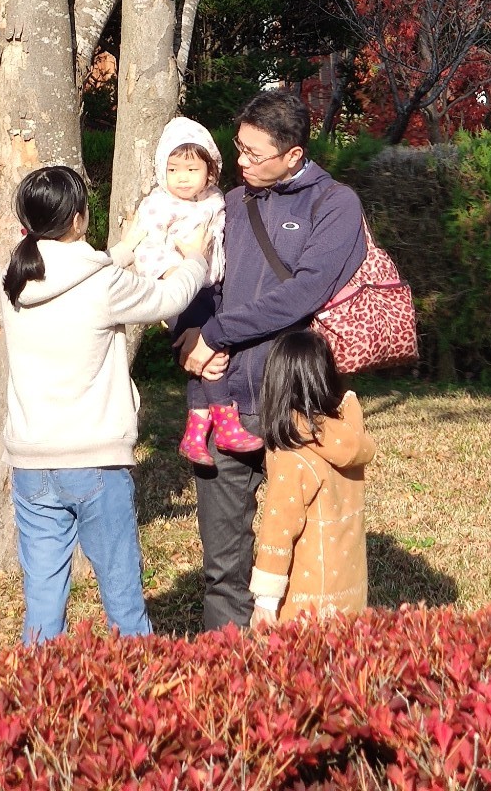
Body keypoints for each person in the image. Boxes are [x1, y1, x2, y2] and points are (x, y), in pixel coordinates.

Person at [174, 87, 367, 630]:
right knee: (224, 567)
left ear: (294, 156)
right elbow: (187, 274)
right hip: (220, 402)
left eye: (253, 155)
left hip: (295, 404)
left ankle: (295, 684)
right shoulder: (229, 203)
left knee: (305, 560)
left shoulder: (334, 204)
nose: (239, 163)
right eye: (238, 148)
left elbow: (303, 293)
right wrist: (188, 337)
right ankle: (226, 683)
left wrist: (217, 333)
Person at [1, 163, 211, 645]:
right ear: (79, 218)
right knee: (123, 603)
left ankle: (36, 698)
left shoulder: (10, 281)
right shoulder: (103, 286)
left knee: (43, 603)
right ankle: (136, 699)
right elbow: (169, 296)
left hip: (31, 463)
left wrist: (125, 247)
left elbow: (77, 274)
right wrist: (195, 258)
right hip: (95, 460)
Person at [110, 114, 249, 467]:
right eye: (172, 170)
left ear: (211, 170)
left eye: (190, 169)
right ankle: (225, 421)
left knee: (199, 354)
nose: (181, 178)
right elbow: (144, 249)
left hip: (211, 287)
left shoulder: (215, 200)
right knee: (211, 352)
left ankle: (194, 432)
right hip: (180, 289)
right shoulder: (158, 205)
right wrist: (175, 271)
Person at [249, 329, 375, 628]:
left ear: (276, 383)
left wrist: (266, 599)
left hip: (306, 604)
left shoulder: (294, 453)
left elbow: (278, 529)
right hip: (351, 591)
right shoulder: (346, 435)